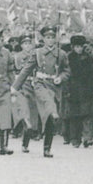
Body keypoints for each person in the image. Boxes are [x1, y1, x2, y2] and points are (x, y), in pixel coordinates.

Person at [11, 26, 69, 158]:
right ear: (43, 39)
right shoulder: (37, 53)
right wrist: (15, 87)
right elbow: (26, 70)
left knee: (50, 119)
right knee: (49, 106)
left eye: (52, 37)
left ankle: (47, 148)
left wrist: (61, 77)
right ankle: (52, 113)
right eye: (47, 37)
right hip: (40, 84)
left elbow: (67, 70)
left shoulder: (62, 54)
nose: (50, 40)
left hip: (55, 86)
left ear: (56, 38)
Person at [67, 34, 93, 148]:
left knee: (88, 114)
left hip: (86, 89)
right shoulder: (69, 58)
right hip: (73, 89)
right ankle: (75, 139)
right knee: (75, 115)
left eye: (81, 46)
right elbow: (66, 74)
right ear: (73, 47)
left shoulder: (88, 58)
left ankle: (87, 138)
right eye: (77, 47)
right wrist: (66, 90)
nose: (79, 49)